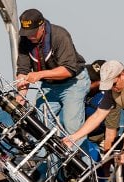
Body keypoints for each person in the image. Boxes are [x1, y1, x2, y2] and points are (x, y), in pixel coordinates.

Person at [15, 9, 90, 150]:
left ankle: (85, 169)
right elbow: (23, 71)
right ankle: (52, 171)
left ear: (42, 26)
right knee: (39, 127)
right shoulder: (24, 40)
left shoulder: (60, 35)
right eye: (26, 33)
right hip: (49, 85)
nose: (29, 36)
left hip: (73, 83)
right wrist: (20, 95)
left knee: (71, 126)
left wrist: (39, 75)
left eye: (32, 32)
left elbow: (68, 70)